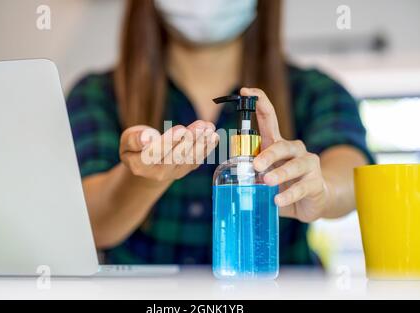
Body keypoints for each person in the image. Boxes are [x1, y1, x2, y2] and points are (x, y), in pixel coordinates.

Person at [67, 0, 374, 265]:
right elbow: (91, 224)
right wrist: (143, 178)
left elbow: (350, 167)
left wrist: (322, 190)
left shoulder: (313, 91)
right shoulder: (98, 95)